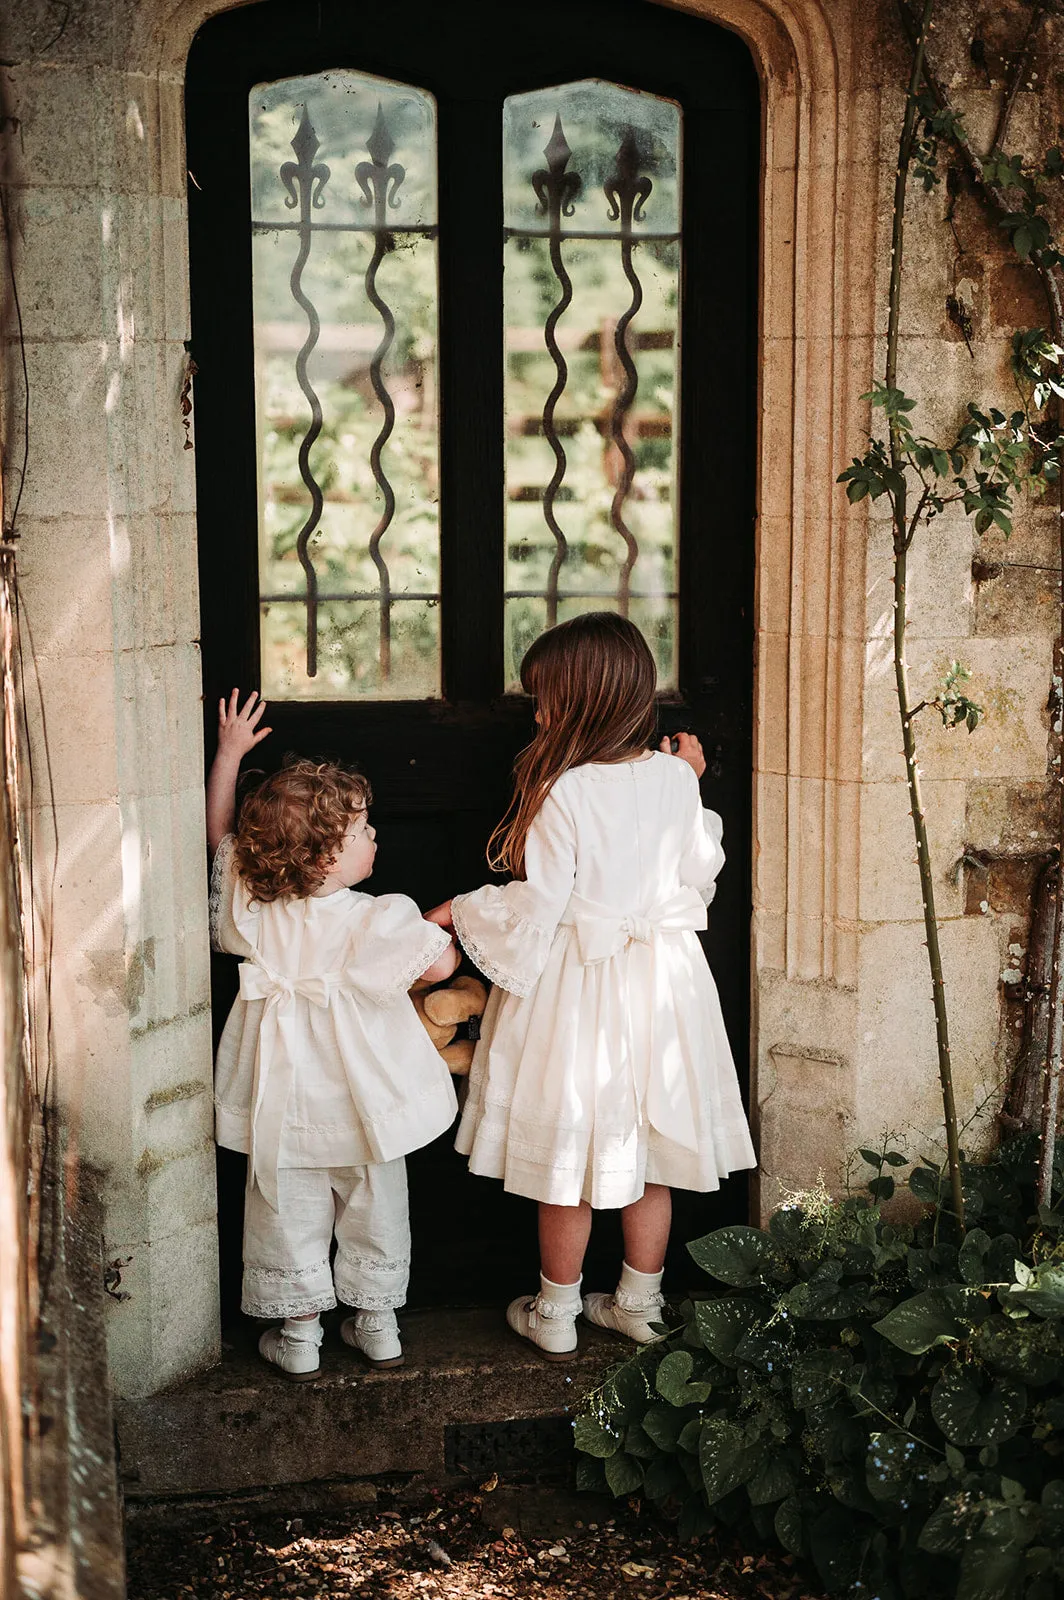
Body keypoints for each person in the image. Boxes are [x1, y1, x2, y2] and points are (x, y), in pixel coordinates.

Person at [427, 614, 756, 1360]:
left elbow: (539, 903)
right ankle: (640, 1303)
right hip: (663, 986)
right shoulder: (676, 779)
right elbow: (701, 865)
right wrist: (694, 787)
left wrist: (461, 909)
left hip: (581, 988)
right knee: (650, 1150)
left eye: (543, 699)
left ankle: (555, 1312)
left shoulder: (564, 791)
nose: (537, 713)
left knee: (568, 1158)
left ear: (580, 705)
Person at [206, 690, 460, 1380]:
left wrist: (229, 754)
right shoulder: (371, 918)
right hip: (361, 1096)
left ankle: (299, 1334)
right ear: (322, 860)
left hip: (281, 1092)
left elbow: (223, 840)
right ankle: (377, 1323)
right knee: (374, 1197)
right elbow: (439, 965)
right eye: (361, 833)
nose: (374, 838)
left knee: (285, 1203)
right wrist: (440, 926)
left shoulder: (253, 903)